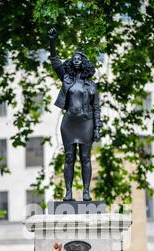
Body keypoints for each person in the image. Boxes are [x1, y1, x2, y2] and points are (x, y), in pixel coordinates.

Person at [48, 27, 102, 202]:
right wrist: (52, 42)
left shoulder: (92, 85)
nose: (76, 60)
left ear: (84, 62)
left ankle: (86, 192)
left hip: (86, 123)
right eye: (74, 58)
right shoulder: (66, 78)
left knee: (85, 158)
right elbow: (55, 61)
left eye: (79, 58)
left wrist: (97, 128)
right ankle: (68, 192)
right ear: (71, 62)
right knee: (69, 157)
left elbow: (96, 108)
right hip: (69, 122)